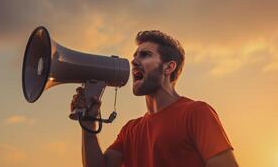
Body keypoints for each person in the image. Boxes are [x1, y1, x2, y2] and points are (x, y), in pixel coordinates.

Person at [71, 30, 238, 167]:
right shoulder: (130, 131)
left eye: (145, 55)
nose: (134, 61)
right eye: (135, 56)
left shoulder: (197, 113)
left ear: (168, 67)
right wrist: (88, 122)